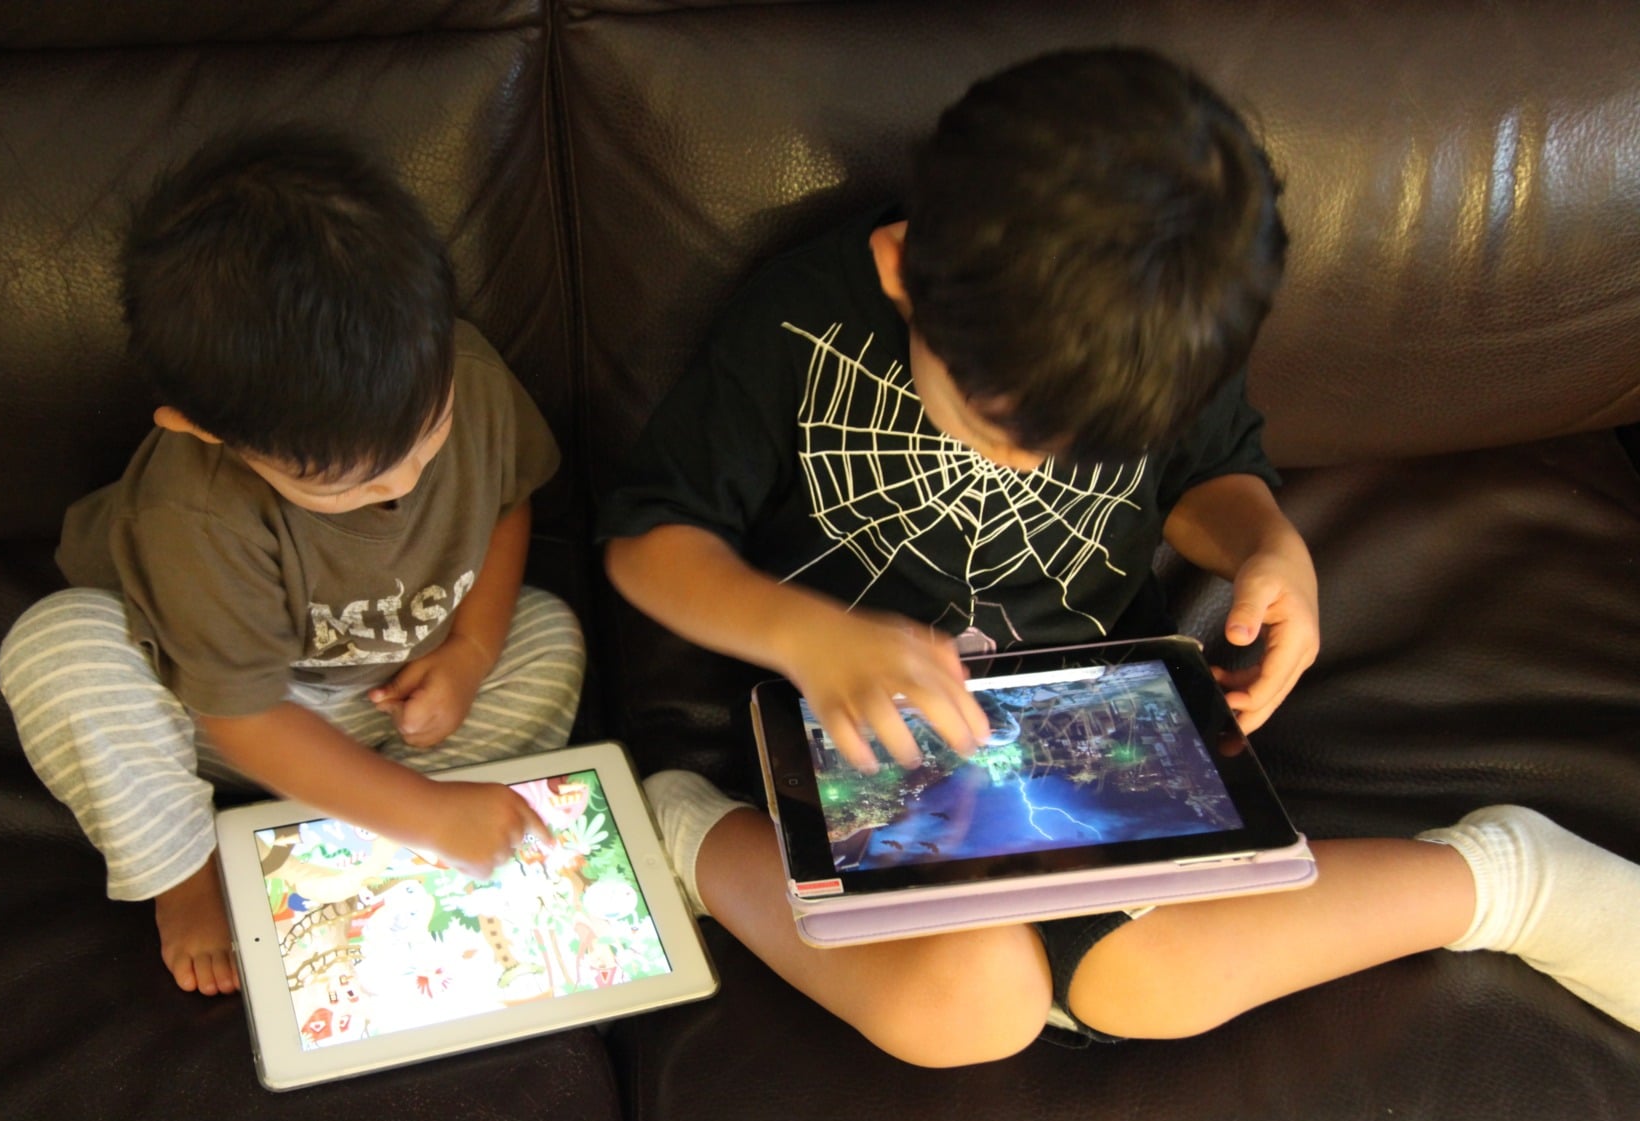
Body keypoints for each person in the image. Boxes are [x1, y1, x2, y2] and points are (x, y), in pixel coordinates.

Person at [600, 48, 1640, 1064]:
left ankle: (1508, 879)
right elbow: (648, 539)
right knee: (968, 1012)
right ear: (904, 270)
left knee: (1151, 984)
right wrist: (809, 635)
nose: (1024, 465)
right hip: (856, 732)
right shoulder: (799, 318)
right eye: (999, 426)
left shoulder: (1155, 326)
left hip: (1099, 726)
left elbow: (1208, 480)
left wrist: (1268, 547)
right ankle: (689, 831)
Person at [0, 130, 583, 996]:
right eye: (347, 487)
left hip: (385, 705)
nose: (406, 482)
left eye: (431, 434)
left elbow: (507, 504)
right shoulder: (194, 514)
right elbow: (239, 717)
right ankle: (186, 870)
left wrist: (472, 653)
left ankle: (370, 827)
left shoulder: (468, 373)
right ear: (207, 433)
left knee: (549, 635)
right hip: (210, 712)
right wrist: (427, 812)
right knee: (58, 653)